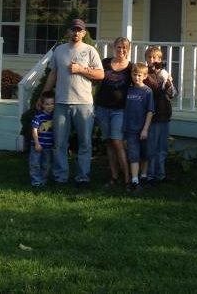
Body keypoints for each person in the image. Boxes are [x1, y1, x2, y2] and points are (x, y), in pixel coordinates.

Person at [41, 19, 104, 186]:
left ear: (84, 33)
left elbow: (100, 74)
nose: (76, 33)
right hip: (61, 103)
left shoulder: (90, 50)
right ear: (68, 32)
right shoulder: (59, 50)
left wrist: (81, 69)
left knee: (85, 143)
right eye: (73, 30)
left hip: (84, 104)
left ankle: (83, 177)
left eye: (79, 30)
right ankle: (61, 177)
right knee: (60, 143)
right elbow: (53, 74)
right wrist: (43, 95)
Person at [97, 36, 132, 186]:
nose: (121, 50)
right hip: (103, 107)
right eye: (119, 47)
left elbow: (143, 78)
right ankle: (114, 176)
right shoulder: (105, 63)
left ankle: (128, 177)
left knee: (117, 141)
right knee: (109, 142)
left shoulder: (131, 67)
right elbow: (94, 76)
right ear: (114, 47)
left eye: (124, 48)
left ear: (128, 50)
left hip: (120, 109)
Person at [144, 45, 178, 184]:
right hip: (151, 117)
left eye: (155, 58)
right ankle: (150, 175)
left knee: (162, 148)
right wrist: (163, 81)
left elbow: (173, 94)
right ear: (146, 59)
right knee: (151, 148)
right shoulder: (144, 74)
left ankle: (161, 174)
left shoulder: (164, 74)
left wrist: (168, 82)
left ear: (160, 59)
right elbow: (156, 90)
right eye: (150, 57)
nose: (152, 60)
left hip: (164, 116)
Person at [123, 62, 154, 193]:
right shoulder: (128, 90)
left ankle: (144, 176)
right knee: (133, 155)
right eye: (134, 75)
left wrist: (145, 129)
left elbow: (150, 111)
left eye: (140, 75)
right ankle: (135, 180)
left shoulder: (147, 91)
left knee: (145, 154)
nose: (137, 77)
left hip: (143, 129)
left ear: (145, 76)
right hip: (130, 129)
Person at [29, 91, 55, 188]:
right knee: (35, 164)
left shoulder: (54, 116)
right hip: (37, 145)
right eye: (47, 104)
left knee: (46, 165)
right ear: (42, 105)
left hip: (48, 146)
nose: (50, 106)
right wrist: (37, 143)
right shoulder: (38, 116)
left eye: (52, 104)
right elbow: (34, 130)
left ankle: (43, 181)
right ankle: (36, 182)